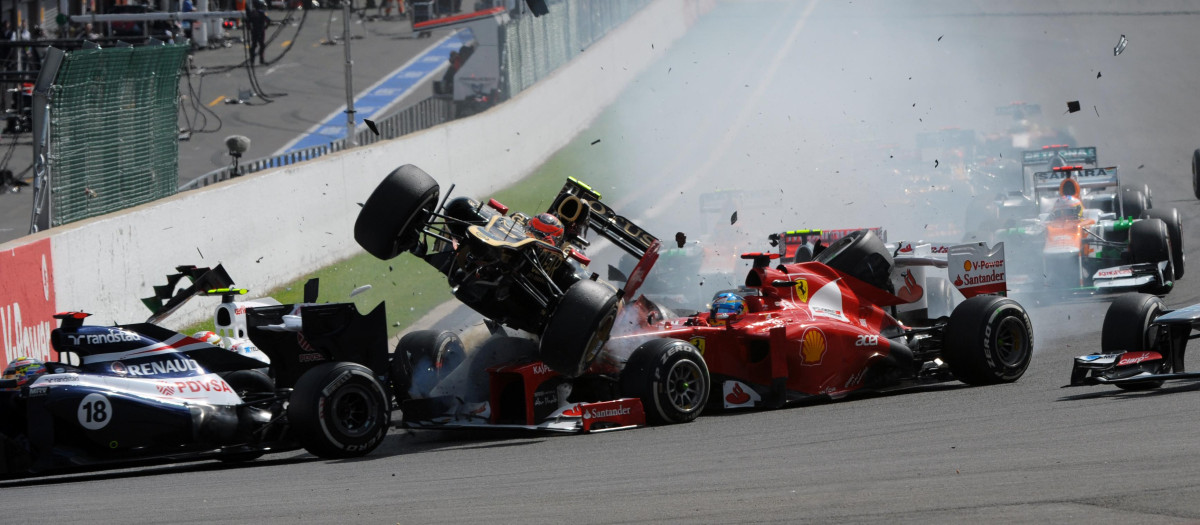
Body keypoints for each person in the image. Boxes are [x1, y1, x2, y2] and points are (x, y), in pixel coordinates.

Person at [247, 0, 270, 65]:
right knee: (262, 45)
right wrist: (266, 27)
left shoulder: (252, 12)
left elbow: (248, 22)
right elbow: (268, 20)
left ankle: (252, 60)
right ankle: (261, 60)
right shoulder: (262, 12)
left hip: (254, 31)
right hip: (260, 31)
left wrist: (249, 28)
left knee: (254, 45)